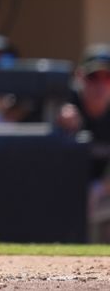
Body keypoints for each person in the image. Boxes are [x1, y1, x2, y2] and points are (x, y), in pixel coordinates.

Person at [57, 45, 110, 242]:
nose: (100, 85)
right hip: (63, 195)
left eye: (107, 78)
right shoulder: (64, 103)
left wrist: (101, 187)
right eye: (93, 77)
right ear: (80, 77)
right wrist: (57, 123)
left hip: (101, 194)